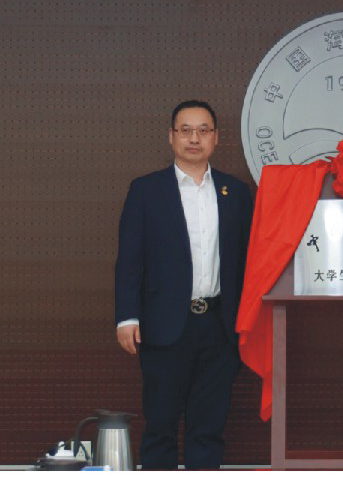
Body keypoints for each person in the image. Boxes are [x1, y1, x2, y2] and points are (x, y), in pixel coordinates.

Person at [114, 100, 253, 470]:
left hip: (219, 325)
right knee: (160, 426)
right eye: (186, 130)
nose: (195, 138)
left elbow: (249, 259)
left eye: (203, 131)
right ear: (171, 137)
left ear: (216, 138)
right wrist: (127, 316)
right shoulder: (146, 190)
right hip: (164, 326)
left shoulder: (235, 192)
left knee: (208, 428)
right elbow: (130, 260)